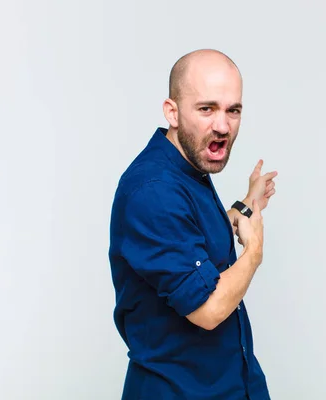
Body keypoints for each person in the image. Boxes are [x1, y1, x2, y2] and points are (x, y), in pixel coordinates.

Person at [108, 49, 278, 400]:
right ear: (172, 112)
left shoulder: (187, 168)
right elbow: (209, 309)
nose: (223, 125)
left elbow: (194, 237)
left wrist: (246, 207)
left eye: (233, 110)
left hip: (230, 384)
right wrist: (254, 251)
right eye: (207, 109)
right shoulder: (154, 190)